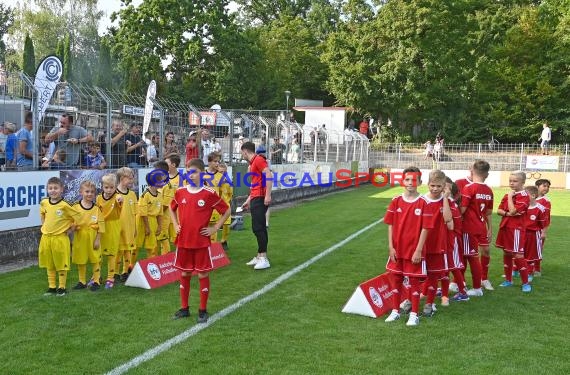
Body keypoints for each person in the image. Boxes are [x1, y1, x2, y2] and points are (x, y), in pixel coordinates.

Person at [169, 158, 230, 323]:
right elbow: (171, 207)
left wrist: (215, 228)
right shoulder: (180, 192)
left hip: (201, 242)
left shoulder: (209, 193)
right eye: (188, 172)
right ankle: (184, 308)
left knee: (202, 273)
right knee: (184, 272)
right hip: (183, 241)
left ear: (202, 173)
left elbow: (226, 210)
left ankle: (202, 310)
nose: (191, 175)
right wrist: (175, 224)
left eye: (194, 172)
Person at [383, 167, 433, 327]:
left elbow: (425, 228)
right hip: (397, 250)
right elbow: (390, 224)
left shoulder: (424, 202)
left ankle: (414, 315)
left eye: (414, 180)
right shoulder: (396, 200)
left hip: (414, 251)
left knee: (414, 282)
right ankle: (396, 311)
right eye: (407, 180)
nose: (410, 183)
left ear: (420, 182)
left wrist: (419, 250)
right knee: (396, 279)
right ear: (402, 181)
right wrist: (391, 247)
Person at [39, 177, 80, 296]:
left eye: (55, 188)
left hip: (60, 238)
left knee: (61, 263)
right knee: (49, 263)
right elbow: (42, 214)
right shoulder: (44, 202)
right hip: (46, 238)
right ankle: (51, 287)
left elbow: (77, 218)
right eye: (50, 188)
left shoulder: (65, 205)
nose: (53, 191)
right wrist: (44, 226)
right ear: (47, 189)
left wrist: (70, 229)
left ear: (61, 189)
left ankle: (61, 287)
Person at [460, 160, 494, 295]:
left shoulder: (469, 188)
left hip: (469, 227)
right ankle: (465, 283)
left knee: (470, 257)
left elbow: (462, 209)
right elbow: (488, 212)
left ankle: (476, 288)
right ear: (487, 174)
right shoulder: (488, 190)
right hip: (481, 226)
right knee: (473, 255)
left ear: (472, 171)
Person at [421, 170, 453, 317]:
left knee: (434, 275)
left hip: (438, 244)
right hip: (421, 244)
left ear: (444, 187)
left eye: (438, 186)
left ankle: (430, 302)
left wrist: (445, 199)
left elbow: (448, 221)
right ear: (428, 184)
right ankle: (412, 299)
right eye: (432, 185)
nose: (435, 189)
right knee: (416, 274)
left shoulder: (447, 202)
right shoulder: (421, 200)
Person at [496, 171, 531, 292]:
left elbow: (513, 211)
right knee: (507, 253)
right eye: (510, 180)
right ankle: (508, 280)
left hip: (516, 229)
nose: (511, 183)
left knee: (518, 255)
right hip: (505, 227)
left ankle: (526, 283)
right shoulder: (507, 195)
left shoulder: (524, 196)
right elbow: (499, 210)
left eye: (515, 181)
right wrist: (507, 213)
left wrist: (510, 197)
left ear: (523, 182)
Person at [241, 141, 273, 270]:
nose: (242, 155)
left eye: (242, 152)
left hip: (260, 198)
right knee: (257, 227)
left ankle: (263, 258)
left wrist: (268, 195)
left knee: (259, 228)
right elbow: (255, 184)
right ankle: (259, 256)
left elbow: (269, 175)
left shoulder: (258, 160)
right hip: (255, 197)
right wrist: (249, 200)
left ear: (245, 151)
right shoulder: (253, 162)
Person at [71, 181, 104, 290]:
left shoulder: (97, 209)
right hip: (80, 237)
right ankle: (82, 281)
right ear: (81, 192)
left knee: (95, 259)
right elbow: (70, 223)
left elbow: (101, 225)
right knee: (81, 259)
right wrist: (73, 228)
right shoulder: (75, 208)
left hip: (93, 237)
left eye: (92, 192)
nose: (89, 194)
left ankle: (96, 281)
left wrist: (98, 239)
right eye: (87, 191)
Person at [95, 174, 123, 292]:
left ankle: (110, 278)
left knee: (112, 253)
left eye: (112, 187)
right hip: (101, 225)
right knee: (98, 253)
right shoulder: (98, 198)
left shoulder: (118, 197)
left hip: (113, 226)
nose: (109, 190)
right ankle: (96, 276)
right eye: (106, 187)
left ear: (115, 187)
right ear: (102, 187)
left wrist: (120, 200)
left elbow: (120, 200)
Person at [115, 167, 138, 285]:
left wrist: (135, 228)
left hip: (129, 228)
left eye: (132, 178)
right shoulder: (114, 194)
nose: (132, 180)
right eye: (129, 178)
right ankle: (115, 272)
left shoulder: (133, 194)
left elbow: (135, 213)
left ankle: (125, 272)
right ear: (122, 178)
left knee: (128, 250)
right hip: (117, 228)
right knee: (118, 251)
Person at [132, 172, 163, 261]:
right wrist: (147, 227)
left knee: (152, 246)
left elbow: (160, 213)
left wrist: (159, 226)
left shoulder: (160, 195)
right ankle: (130, 266)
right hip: (142, 221)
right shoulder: (145, 195)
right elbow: (143, 213)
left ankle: (151, 265)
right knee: (136, 245)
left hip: (153, 221)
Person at [156, 154, 181, 255]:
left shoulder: (182, 178)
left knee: (176, 237)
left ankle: (179, 257)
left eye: (167, 163)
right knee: (163, 236)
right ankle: (165, 260)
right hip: (165, 214)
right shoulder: (161, 180)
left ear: (173, 165)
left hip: (176, 213)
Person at [523, 185, 546, 278]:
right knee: (519, 252)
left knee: (531, 254)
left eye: (525, 195)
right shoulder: (523, 206)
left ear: (532, 196)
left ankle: (529, 273)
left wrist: (543, 232)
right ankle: (516, 270)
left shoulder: (540, 208)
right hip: (522, 233)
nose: (523, 197)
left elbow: (543, 223)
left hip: (533, 234)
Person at [534, 179, 551, 276]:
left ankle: (537, 269)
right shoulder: (530, 197)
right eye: (544, 186)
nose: (546, 188)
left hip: (539, 229)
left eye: (548, 186)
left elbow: (546, 217)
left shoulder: (546, 201)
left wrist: (544, 231)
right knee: (522, 248)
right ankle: (517, 268)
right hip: (527, 228)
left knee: (538, 248)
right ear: (537, 186)